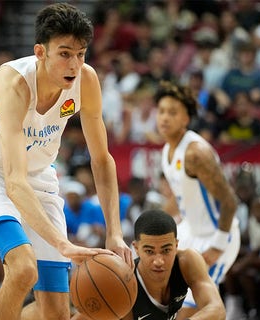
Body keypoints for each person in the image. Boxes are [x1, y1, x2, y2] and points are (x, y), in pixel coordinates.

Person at [0, 4, 131, 320]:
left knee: (56, 313)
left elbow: (101, 160)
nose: (74, 64)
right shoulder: (14, 85)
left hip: (38, 176)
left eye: (80, 54)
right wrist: (62, 244)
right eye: (64, 53)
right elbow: (14, 183)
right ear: (40, 52)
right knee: (22, 269)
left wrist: (114, 231)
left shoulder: (85, 81)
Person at [154, 81, 239, 318]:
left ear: (186, 119)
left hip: (218, 234)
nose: (165, 118)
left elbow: (230, 201)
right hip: (190, 231)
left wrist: (218, 246)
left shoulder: (195, 153)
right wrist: (152, 226)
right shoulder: (167, 150)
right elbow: (180, 199)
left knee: (193, 310)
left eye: (173, 112)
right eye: (161, 111)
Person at [73, 209, 225, 320]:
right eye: (150, 251)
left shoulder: (187, 261)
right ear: (136, 248)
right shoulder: (122, 283)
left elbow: (217, 310)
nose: (158, 261)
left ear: (176, 245)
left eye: (166, 250)